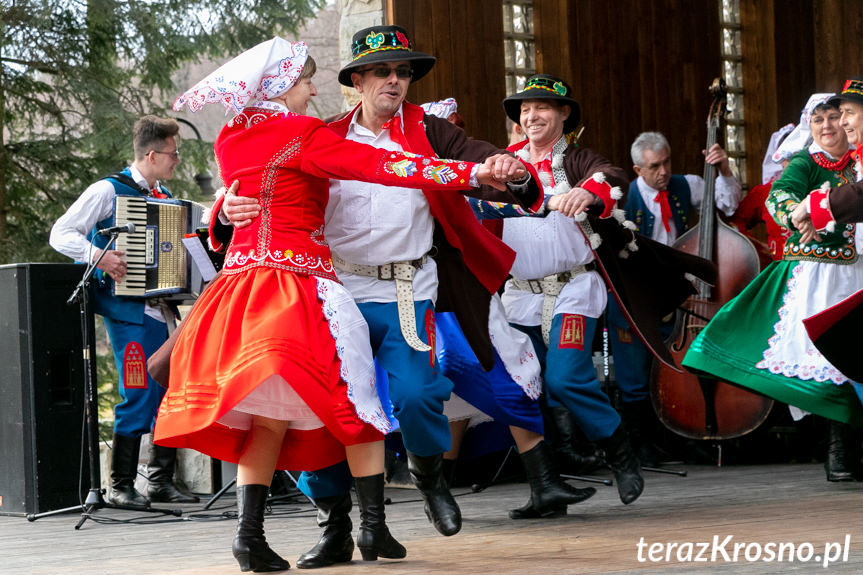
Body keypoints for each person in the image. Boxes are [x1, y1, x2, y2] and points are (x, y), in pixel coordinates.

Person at [157, 37, 523, 572]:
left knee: (277, 417)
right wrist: (473, 176)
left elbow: (247, 187)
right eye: (305, 79)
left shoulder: (232, 135)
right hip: (312, 289)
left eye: (402, 71)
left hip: (253, 288)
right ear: (285, 84)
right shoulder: (309, 133)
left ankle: (258, 536)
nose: (312, 86)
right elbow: (389, 168)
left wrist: (225, 205)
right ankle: (352, 528)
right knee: (351, 406)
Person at [484, 73, 717, 509]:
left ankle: (620, 452)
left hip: (573, 289)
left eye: (543, 108)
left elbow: (609, 179)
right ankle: (545, 486)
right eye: (525, 109)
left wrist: (586, 194)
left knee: (565, 377)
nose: (532, 116)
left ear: (564, 113)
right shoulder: (503, 164)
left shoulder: (578, 158)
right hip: (519, 295)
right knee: (521, 387)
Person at [682, 92, 863, 463]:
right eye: (819, 120)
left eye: (836, 117)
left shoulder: (858, 162)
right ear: (808, 127)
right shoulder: (806, 162)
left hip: (856, 272)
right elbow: (778, 198)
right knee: (828, 359)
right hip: (821, 276)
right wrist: (801, 218)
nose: (829, 126)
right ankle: (835, 452)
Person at [49, 115, 200, 509]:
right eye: (173, 153)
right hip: (128, 312)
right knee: (137, 392)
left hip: (162, 311)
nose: (177, 160)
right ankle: (119, 485)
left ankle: (160, 481)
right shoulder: (106, 190)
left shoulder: (163, 195)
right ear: (151, 154)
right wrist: (100, 257)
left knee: (169, 389)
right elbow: (61, 233)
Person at [605, 130, 742, 465]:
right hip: (631, 293)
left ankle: (679, 438)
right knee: (634, 373)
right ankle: (641, 446)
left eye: (666, 162)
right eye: (654, 166)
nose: (663, 171)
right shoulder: (619, 197)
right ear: (638, 170)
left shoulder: (687, 184)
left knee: (676, 368)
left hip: (673, 294)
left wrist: (724, 169)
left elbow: (727, 202)